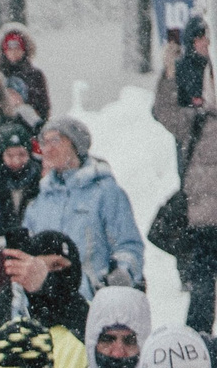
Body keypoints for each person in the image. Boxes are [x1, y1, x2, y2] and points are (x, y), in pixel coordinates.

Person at [156, 20, 217, 331]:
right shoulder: (197, 118)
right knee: (208, 279)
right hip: (206, 208)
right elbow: (164, 111)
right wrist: (169, 71)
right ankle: (204, 332)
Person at [21, 118, 143, 292]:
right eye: (44, 143)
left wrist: (119, 277)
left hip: (92, 301)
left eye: (55, 140)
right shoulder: (41, 200)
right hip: (47, 304)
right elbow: (26, 254)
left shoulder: (105, 192)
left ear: (76, 145)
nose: (47, 149)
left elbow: (128, 245)